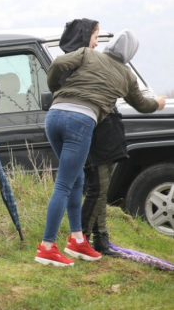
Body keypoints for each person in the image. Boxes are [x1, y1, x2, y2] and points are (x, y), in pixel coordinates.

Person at [35, 29, 166, 266]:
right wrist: (157, 103)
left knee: (75, 181)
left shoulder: (87, 53)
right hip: (80, 120)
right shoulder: (127, 75)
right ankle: (47, 247)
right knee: (65, 183)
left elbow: (58, 64)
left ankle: (77, 240)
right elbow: (142, 105)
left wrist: (56, 88)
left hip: (54, 116)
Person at [59, 19, 124, 257]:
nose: (97, 44)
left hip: (99, 136)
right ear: (84, 38)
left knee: (100, 189)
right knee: (97, 188)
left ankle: (101, 239)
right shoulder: (74, 67)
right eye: (95, 37)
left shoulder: (83, 62)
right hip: (89, 137)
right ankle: (81, 239)